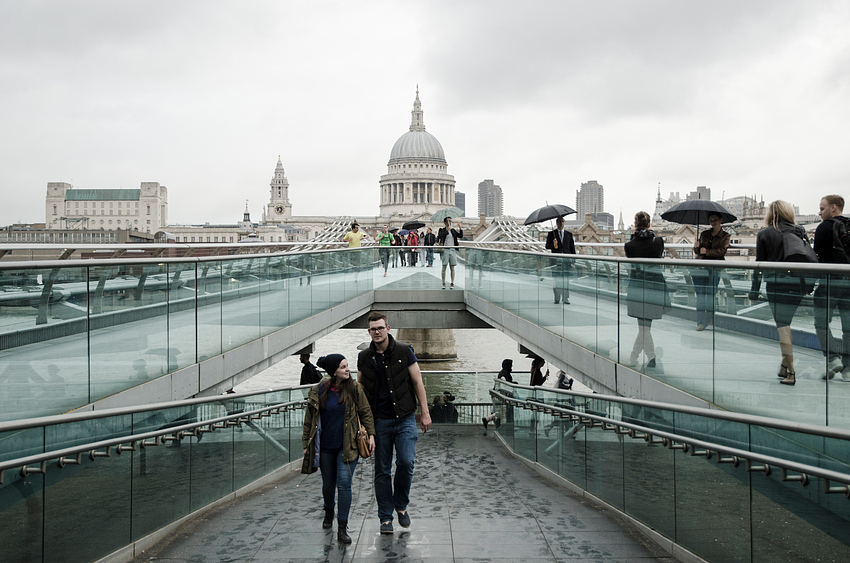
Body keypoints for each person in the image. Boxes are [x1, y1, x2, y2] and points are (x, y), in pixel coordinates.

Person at [357, 312, 431, 535]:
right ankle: (385, 518)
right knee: (381, 470)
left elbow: (417, 382)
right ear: (368, 332)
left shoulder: (404, 351)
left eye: (380, 327)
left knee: (406, 462)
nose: (377, 332)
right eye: (373, 329)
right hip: (379, 421)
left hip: (405, 418)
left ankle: (401, 505)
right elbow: (359, 387)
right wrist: (361, 422)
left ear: (388, 328)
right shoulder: (364, 357)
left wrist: (425, 413)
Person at [301, 354, 375, 544]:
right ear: (334, 371)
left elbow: (365, 411)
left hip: (348, 445)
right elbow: (309, 421)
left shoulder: (354, 388)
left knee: (344, 483)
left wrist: (372, 435)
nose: (347, 370)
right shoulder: (318, 390)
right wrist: (306, 445)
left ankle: (342, 527)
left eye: (347, 366)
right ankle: (328, 510)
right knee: (328, 484)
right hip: (325, 446)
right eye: (343, 367)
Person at [748, 200, 810, 386]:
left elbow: (759, 265)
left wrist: (754, 290)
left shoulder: (764, 233)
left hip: (776, 285)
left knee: (783, 327)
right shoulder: (799, 230)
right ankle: (784, 365)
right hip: (798, 285)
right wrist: (807, 285)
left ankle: (791, 372)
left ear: (770, 213)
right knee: (787, 324)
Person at [813, 195, 850, 381]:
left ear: (833, 207)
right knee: (848, 327)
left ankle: (832, 359)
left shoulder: (824, 227)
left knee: (821, 322)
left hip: (830, 281)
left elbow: (816, 257)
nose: (819, 213)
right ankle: (848, 369)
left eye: (822, 208)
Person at [625, 211, 668, 369]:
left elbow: (631, 257)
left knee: (643, 326)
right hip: (654, 286)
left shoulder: (629, 245)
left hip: (637, 286)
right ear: (650, 224)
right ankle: (649, 357)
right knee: (645, 326)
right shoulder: (658, 242)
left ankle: (639, 356)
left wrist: (632, 237)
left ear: (635, 225)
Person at [692, 213, 731, 330]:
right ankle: (700, 322)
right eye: (710, 220)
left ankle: (709, 320)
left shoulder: (725, 236)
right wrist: (696, 247)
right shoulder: (704, 234)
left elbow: (722, 251)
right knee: (700, 296)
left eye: (715, 220)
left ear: (721, 220)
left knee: (710, 295)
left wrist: (706, 252)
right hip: (700, 268)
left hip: (714, 269)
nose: (712, 222)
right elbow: (698, 252)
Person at [545, 216, 576, 304]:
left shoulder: (569, 234)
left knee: (566, 280)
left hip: (566, 261)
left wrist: (573, 260)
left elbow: (572, 248)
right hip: (555, 261)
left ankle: (565, 298)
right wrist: (554, 245)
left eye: (562, 221)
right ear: (556, 223)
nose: (561, 223)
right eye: (559, 221)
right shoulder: (552, 234)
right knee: (556, 280)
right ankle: (557, 298)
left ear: (564, 223)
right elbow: (547, 246)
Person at [437, 217, 463, 289]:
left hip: (452, 250)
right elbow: (439, 237)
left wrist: (460, 228)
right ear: (445, 223)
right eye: (448, 221)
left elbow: (460, 236)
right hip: (445, 250)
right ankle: (443, 282)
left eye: (451, 221)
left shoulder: (453, 230)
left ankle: (452, 282)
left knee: (452, 267)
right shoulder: (442, 230)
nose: (450, 222)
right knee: (444, 267)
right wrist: (446, 231)